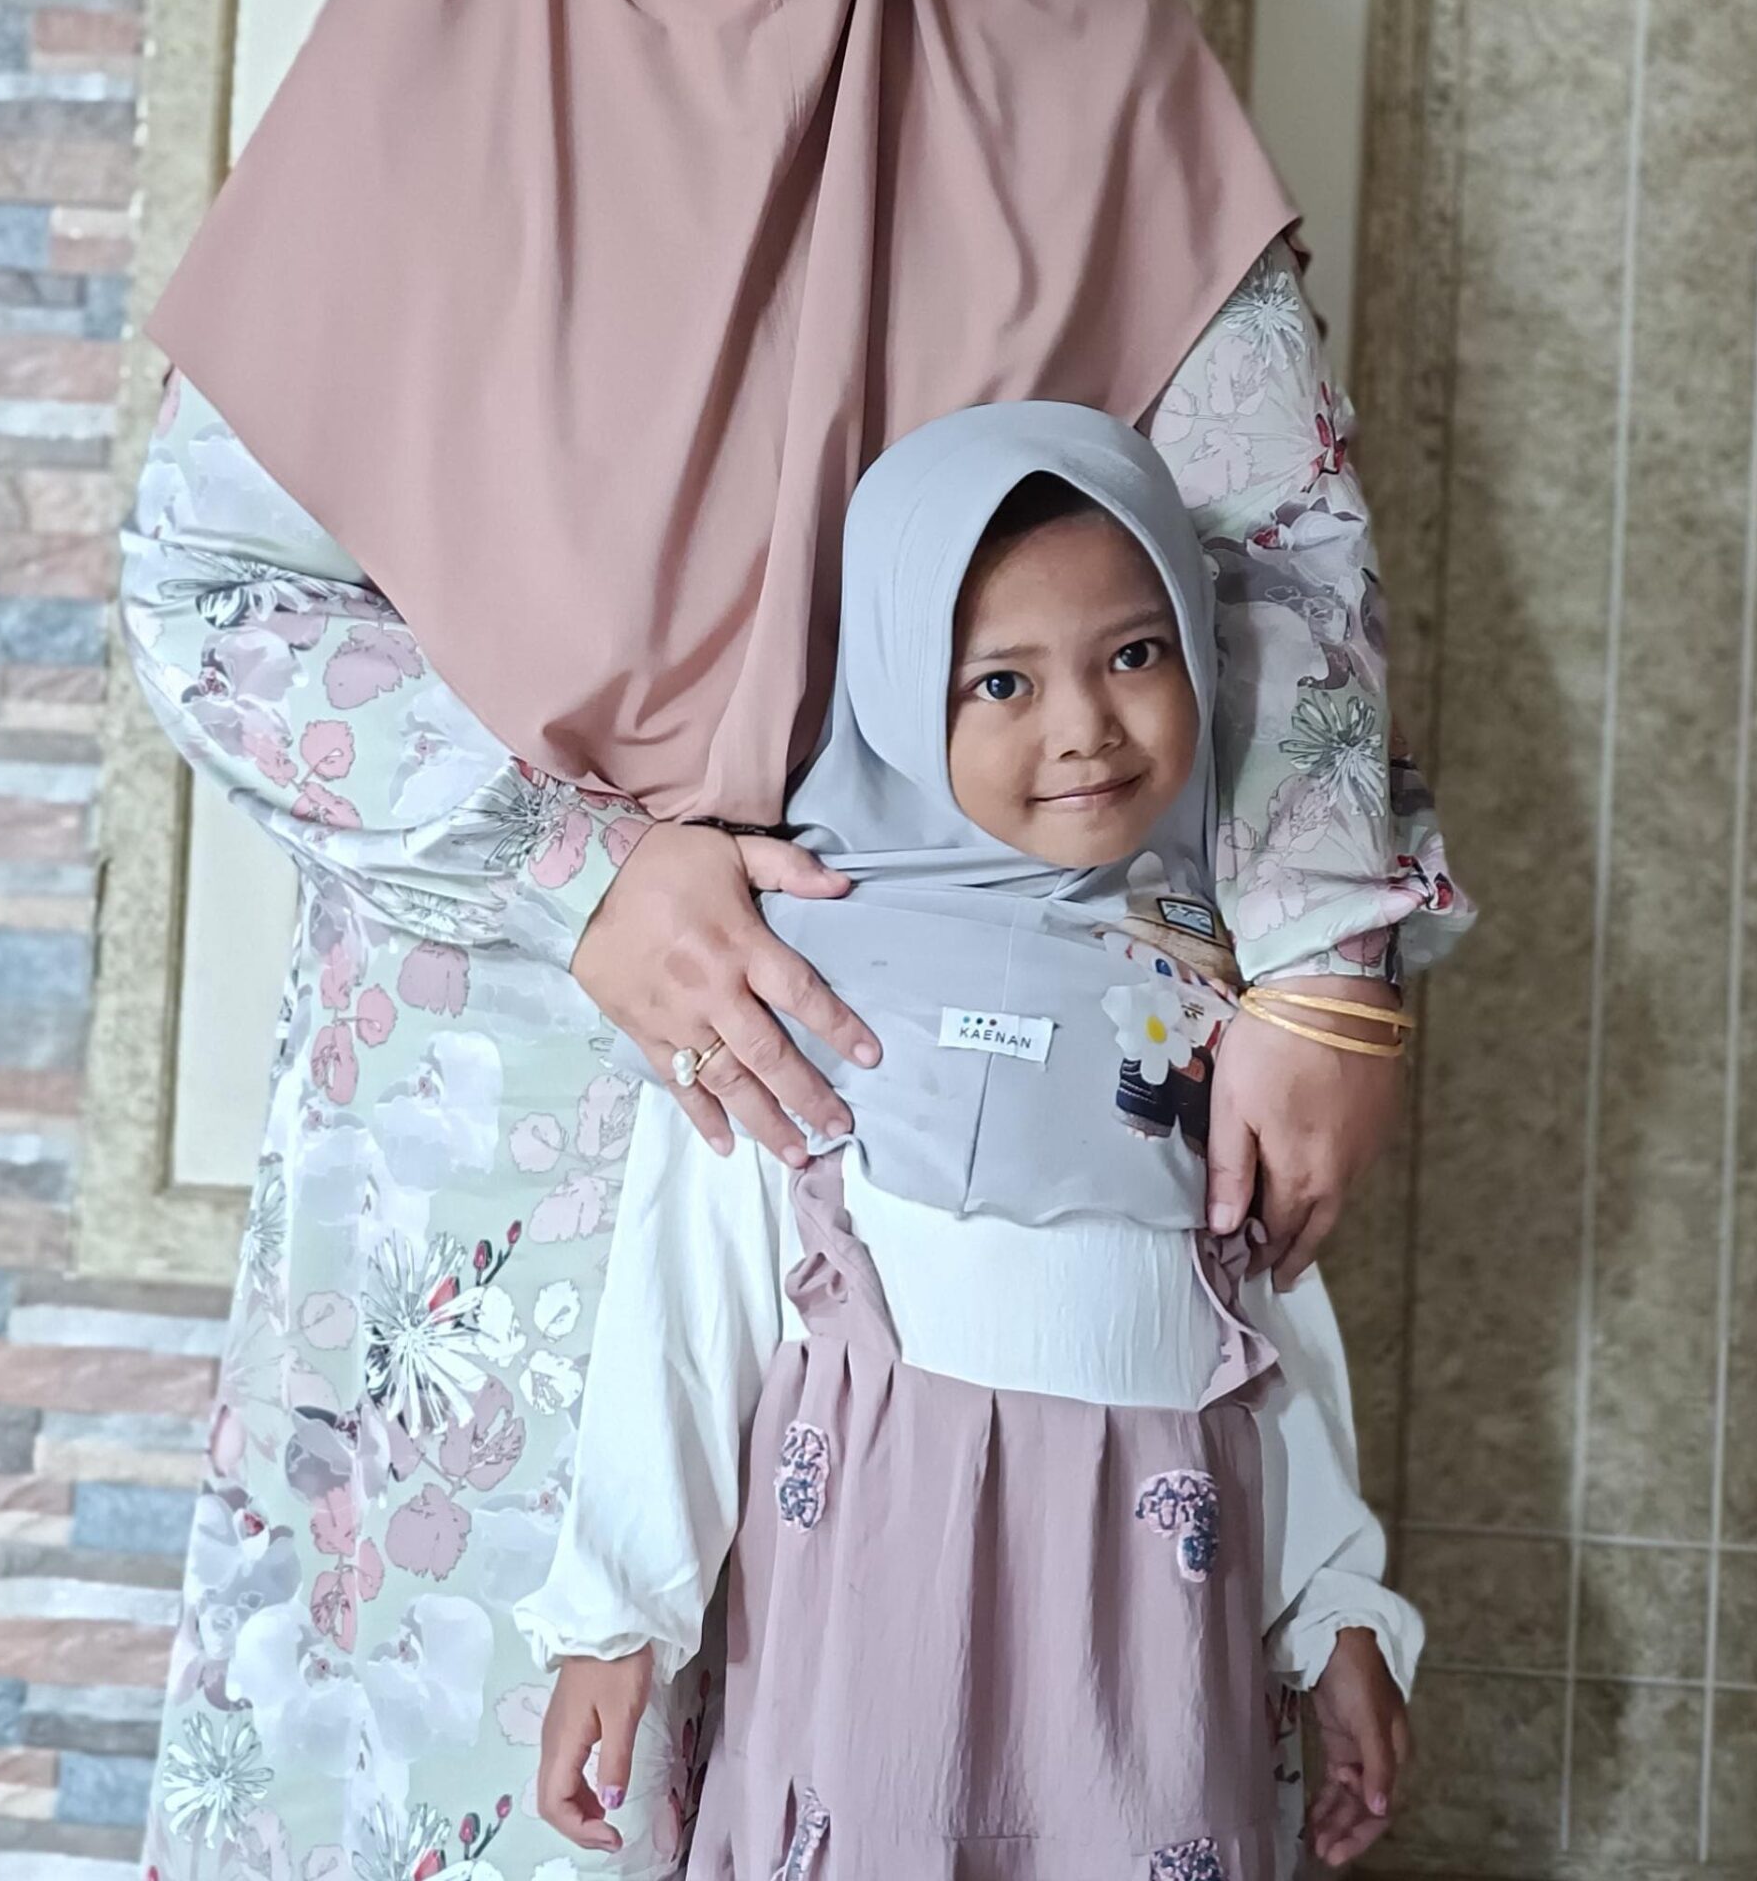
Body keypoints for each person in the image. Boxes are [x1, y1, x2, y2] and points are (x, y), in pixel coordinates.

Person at [125, 0, 1468, 1881]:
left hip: (991, 1115)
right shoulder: (420, 96)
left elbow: (1269, 554)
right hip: (525, 1116)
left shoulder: (1065, 39)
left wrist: (1319, 969)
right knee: (514, 1797)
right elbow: (207, 593)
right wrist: (584, 869)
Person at [522, 405, 1423, 1881]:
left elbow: (1262, 1317)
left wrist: (1333, 1609)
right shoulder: (796, 970)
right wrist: (617, 1618)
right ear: (894, 689)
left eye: (1134, 654)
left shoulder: (1215, 979)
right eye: (1001, 681)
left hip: (1151, 1614)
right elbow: (686, 1306)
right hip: (877, 1595)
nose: (1084, 727)